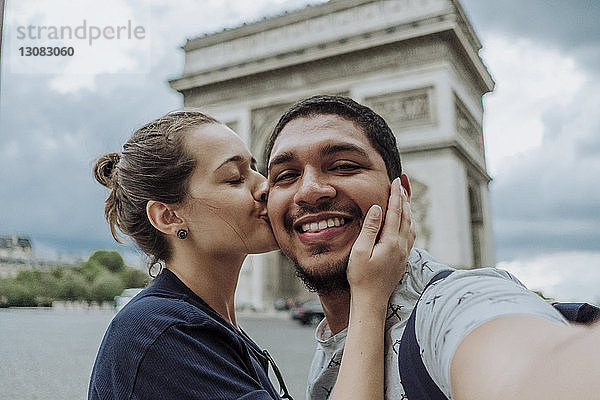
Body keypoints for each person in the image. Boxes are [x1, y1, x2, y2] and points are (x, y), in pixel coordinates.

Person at [265, 95, 600, 400]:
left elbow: (530, 365)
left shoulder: (454, 305)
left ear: (403, 193)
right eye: (285, 175)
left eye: (344, 166)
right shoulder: (334, 331)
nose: (310, 190)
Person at [88, 111, 415, 400]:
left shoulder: (202, 325)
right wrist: (370, 297)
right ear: (169, 217)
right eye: (234, 178)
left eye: (257, 170)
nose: (266, 188)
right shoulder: (161, 333)